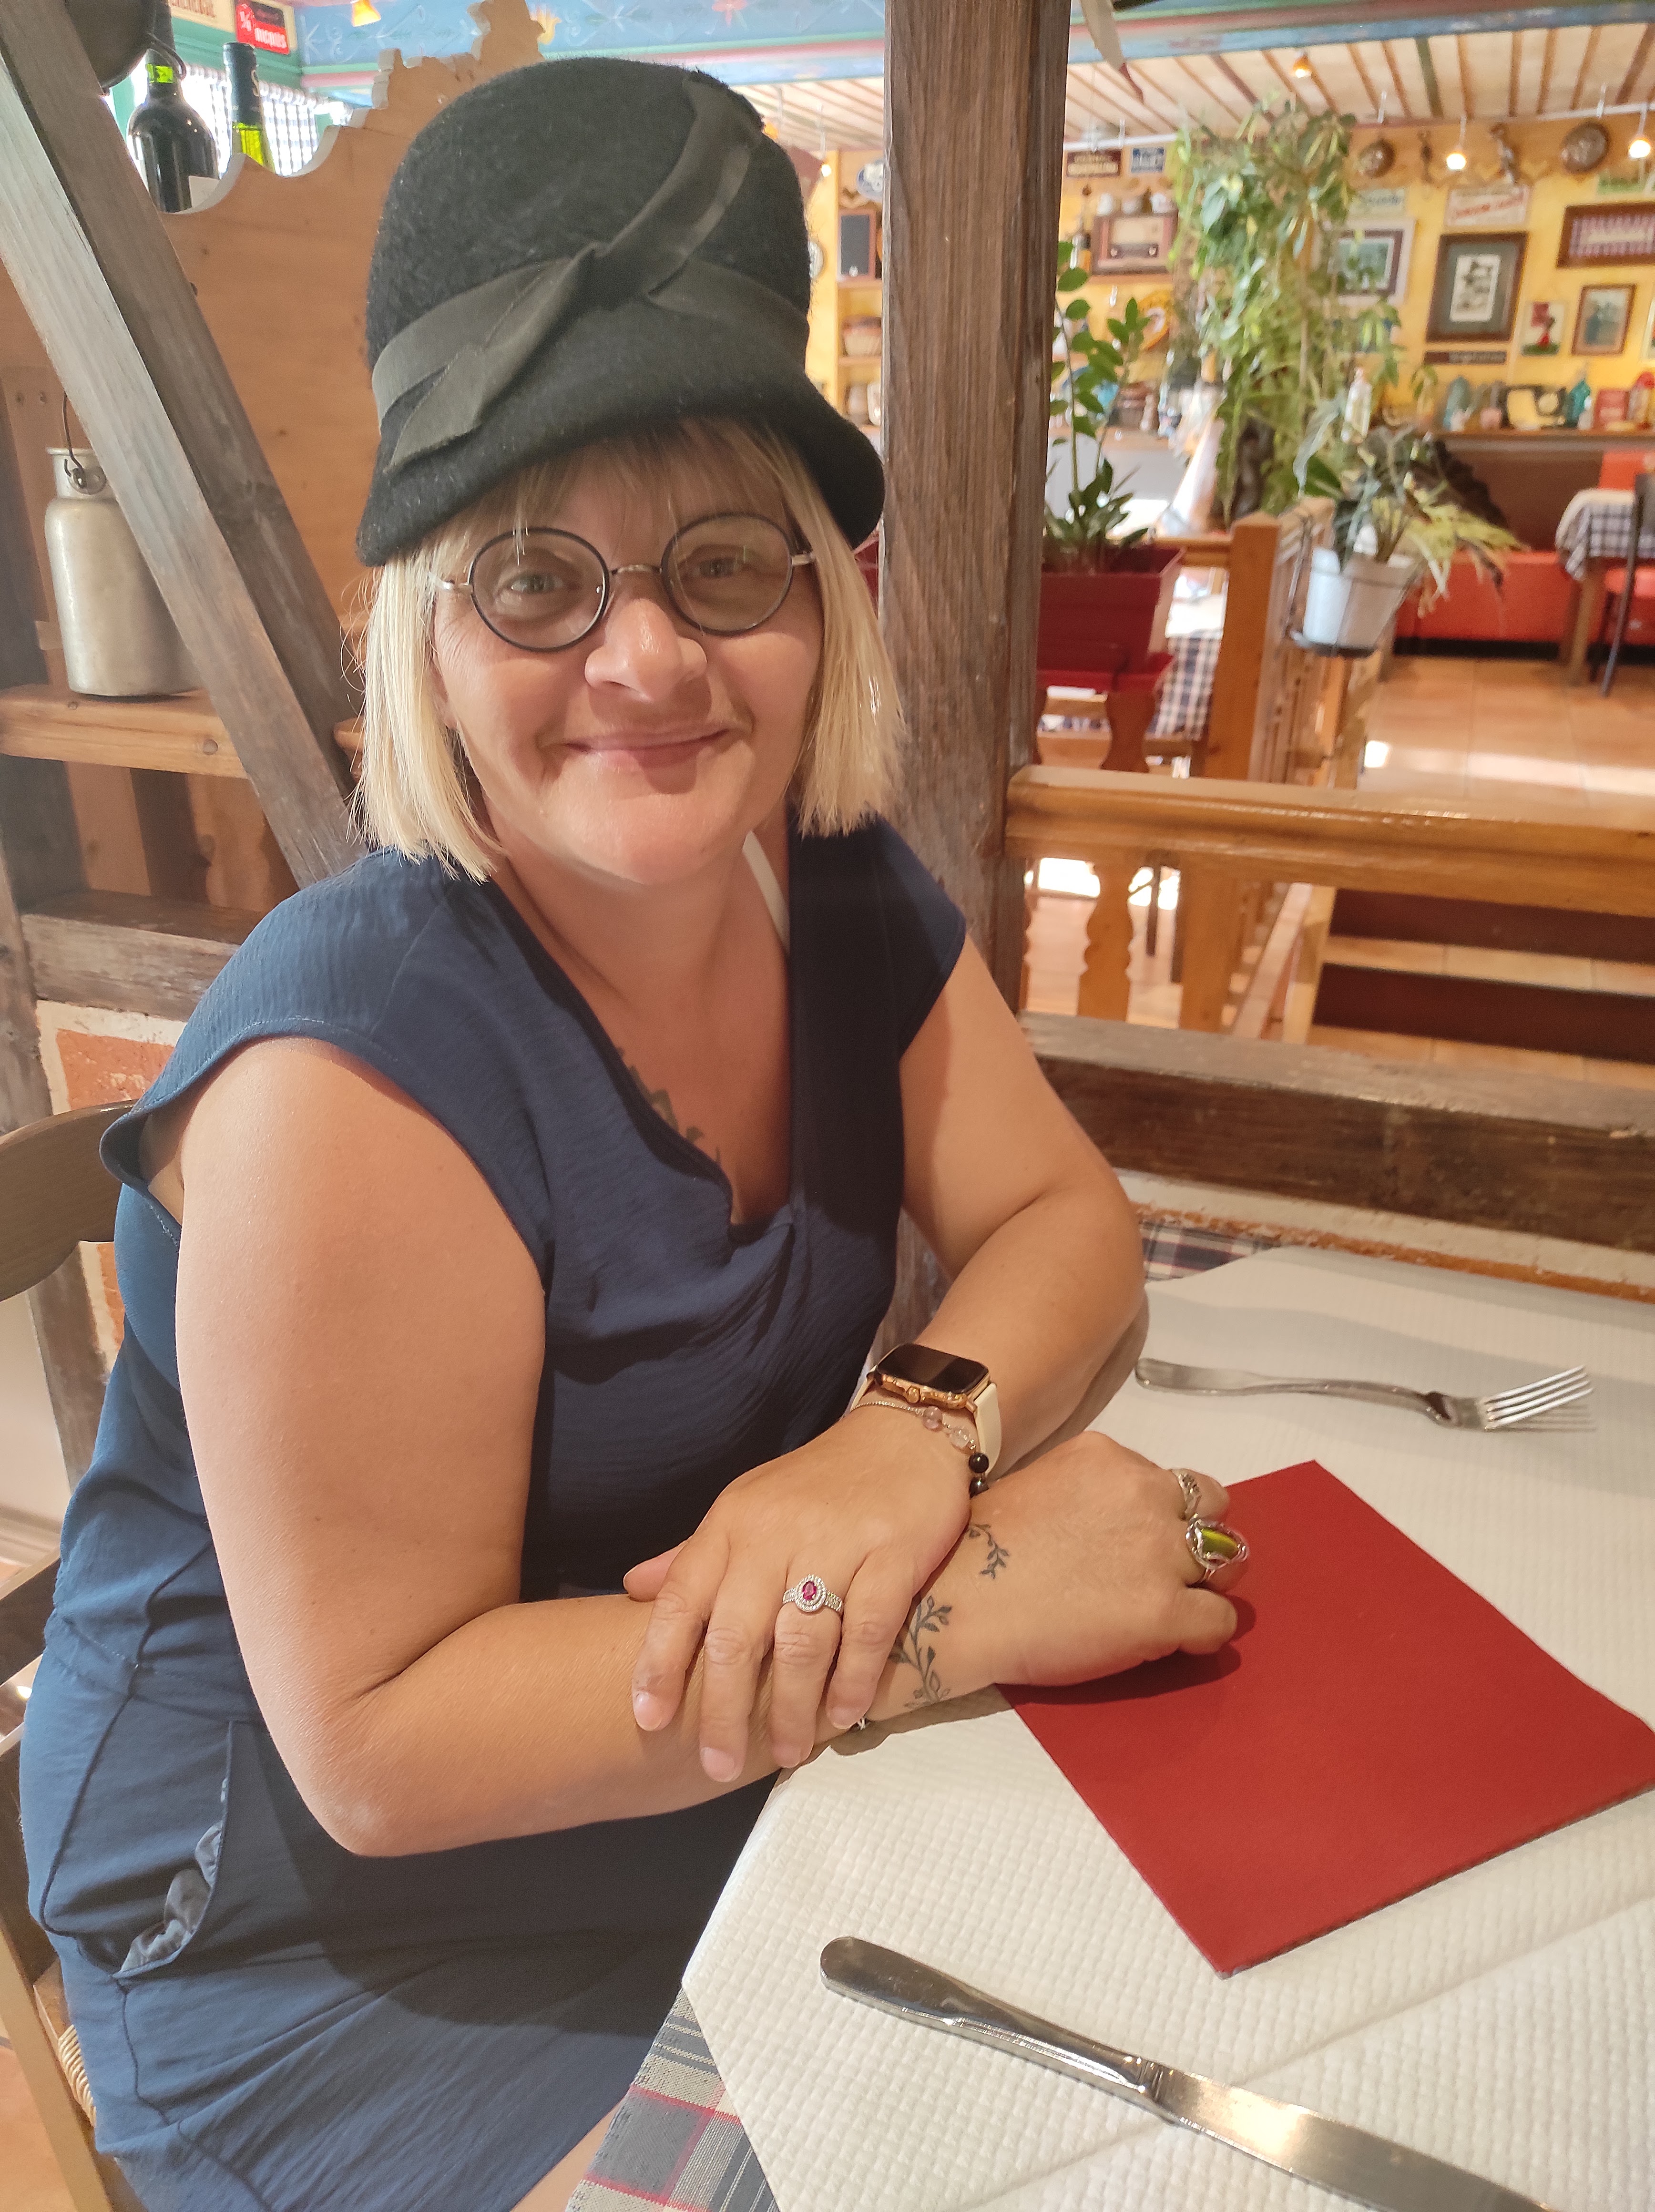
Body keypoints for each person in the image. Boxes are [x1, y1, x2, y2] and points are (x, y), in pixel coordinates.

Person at [20, 57, 1247, 2212]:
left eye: (722, 560)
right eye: (537, 579)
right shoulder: (353, 1068)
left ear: (824, 595)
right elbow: (380, 1748)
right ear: (428, 632)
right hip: (321, 1938)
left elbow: (1063, 1215)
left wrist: (902, 1444)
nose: (649, 657)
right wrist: (951, 1606)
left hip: (683, 1783)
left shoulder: (835, 892)